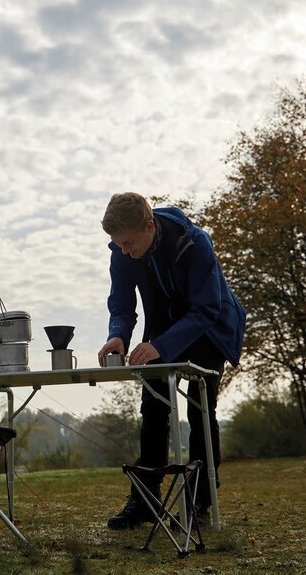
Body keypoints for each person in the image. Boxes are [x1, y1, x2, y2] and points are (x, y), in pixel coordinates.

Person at [96, 192, 245, 529]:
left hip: (210, 328)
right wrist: (117, 335)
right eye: (117, 244)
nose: (123, 250)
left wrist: (161, 345)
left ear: (149, 226)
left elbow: (208, 308)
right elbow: (121, 304)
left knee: (200, 409)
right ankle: (145, 501)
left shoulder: (194, 243)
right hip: (162, 328)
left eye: (129, 242)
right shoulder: (122, 251)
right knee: (152, 408)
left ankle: (199, 503)